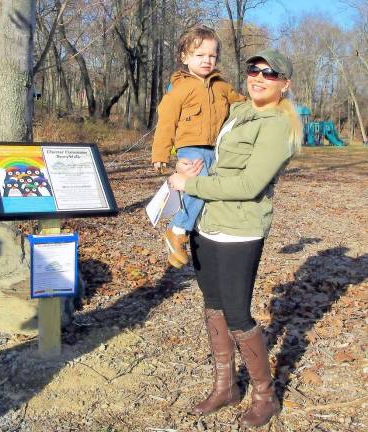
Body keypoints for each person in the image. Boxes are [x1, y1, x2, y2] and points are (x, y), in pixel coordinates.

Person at [168, 48, 303, 428]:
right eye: (254, 70)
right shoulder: (241, 110)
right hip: (209, 221)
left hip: (239, 229)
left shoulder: (277, 125)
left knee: (238, 314)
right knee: (213, 305)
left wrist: (191, 184)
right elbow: (215, 155)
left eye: (270, 74)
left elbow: (248, 183)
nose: (259, 77)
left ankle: (265, 394)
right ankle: (225, 386)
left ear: (285, 84)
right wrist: (188, 164)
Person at [151, 25, 244, 269]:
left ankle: (202, 237)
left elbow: (242, 105)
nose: (207, 60)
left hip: (216, 150)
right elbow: (166, 122)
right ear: (185, 57)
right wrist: (161, 155)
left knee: (216, 191)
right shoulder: (180, 88)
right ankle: (177, 230)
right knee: (197, 184)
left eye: (212, 55)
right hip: (191, 149)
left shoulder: (222, 86)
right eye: (199, 55)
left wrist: (267, 104)